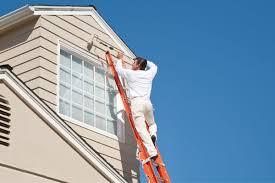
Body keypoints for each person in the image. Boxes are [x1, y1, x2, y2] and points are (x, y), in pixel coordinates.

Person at [116, 52, 158, 160]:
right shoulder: (149, 74)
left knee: (141, 129)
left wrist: (120, 59)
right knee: (152, 124)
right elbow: (154, 66)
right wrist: (144, 60)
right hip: (148, 104)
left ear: (138, 65)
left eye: (134, 62)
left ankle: (152, 152)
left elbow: (119, 70)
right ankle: (153, 134)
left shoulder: (131, 74)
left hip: (137, 103)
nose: (132, 64)